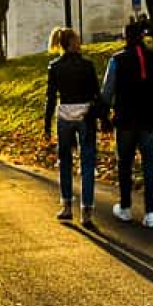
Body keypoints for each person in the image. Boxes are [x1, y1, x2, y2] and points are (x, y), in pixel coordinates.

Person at [101, 17, 153, 229]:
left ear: (125, 37)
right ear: (143, 37)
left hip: (125, 119)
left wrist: (105, 114)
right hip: (151, 119)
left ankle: (125, 207)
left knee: (124, 164)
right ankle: (151, 213)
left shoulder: (117, 60)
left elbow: (107, 92)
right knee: (150, 165)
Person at [43, 26, 101, 225]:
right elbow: (96, 93)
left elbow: (51, 98)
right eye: (77, 38)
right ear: (72, 43)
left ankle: (67, 206)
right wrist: (103, 116)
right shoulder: (87, 65)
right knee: (87, 162)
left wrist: (46, 126)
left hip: (65, 116)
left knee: (65, 162)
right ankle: (86, 211)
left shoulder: (55, 66)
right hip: (85, 115)